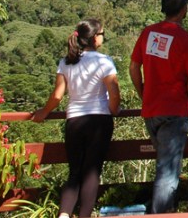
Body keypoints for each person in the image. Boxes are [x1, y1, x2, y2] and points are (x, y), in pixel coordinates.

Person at [32, 19, 121, 218]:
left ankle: (64, 214)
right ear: (94, 38)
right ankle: (84, 215)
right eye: (102, 34)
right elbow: (114, 93)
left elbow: (57, 96)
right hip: (99, 121)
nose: (103, 38)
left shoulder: (66, 62)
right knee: (91, 173)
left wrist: (43, 112)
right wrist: (114, 110)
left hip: (74, 121)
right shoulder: (104, 61)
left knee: (75, 172)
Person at [129, 0, 188, 214]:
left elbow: (134, 67)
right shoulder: (186, 40)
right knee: (168, 172)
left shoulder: (148, 33)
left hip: (151, 110)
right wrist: (187, 100)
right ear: (184, 10)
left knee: (163, 166)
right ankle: (162, 214)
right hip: (174, 111)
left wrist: (143, 93)